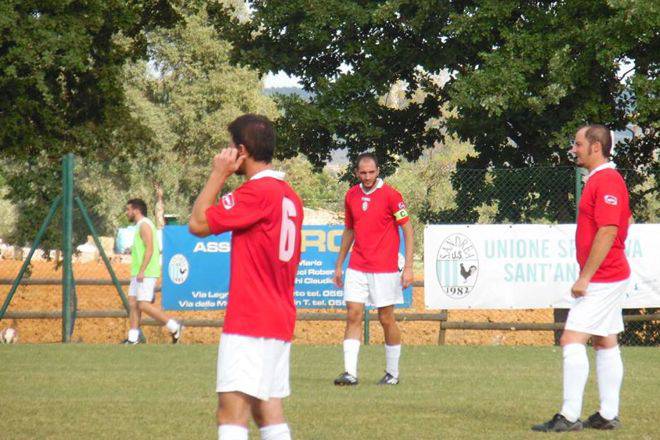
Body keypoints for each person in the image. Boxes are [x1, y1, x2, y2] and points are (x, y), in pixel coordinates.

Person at [189, 114, 303, 440]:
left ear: (242, 149)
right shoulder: (288, 194)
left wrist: (217, 174)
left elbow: (197, 224)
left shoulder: (257, 193)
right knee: (266, 408)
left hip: (251, 317)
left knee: (231, 411)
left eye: (230, 147)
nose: (226, 153)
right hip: (279, 315)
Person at [533, 125, 632, 432]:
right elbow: (622, 221)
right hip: (610, 275)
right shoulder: (601, 180)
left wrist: (585, 277)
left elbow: (608, 230)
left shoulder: (607, 180)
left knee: (571, 338)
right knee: (605, 340)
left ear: (596, 147)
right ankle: (606, 414)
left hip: (603, 277)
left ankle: (569, 415)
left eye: (578, 144)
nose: (573, 149)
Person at [333, 153, 414, 386]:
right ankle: (350, 373)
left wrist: (408, 267)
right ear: (357, 173)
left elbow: (407, 229)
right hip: (357, 265)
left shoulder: (391, 195)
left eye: (371, 172)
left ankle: (392, 373)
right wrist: (339, 264)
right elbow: (349, 230)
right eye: (363, 172)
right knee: (353, 314)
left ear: (378, 171)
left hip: (385, 268)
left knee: (386, 318)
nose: (367, 176)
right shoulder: (351, 195)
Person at [123, 199, 182, 344]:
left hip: (147, 272)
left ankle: (174, 326)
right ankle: (132, 338)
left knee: (143, 304)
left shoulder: (145, 225)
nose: (127, 213)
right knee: (133, 303)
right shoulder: (139, 226)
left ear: (136, 210)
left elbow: (150, 249)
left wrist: (142, 270)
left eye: (128, 210)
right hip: (138, 272)